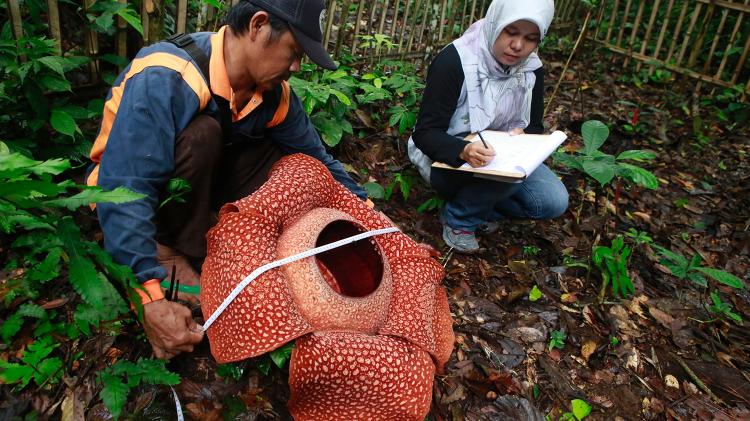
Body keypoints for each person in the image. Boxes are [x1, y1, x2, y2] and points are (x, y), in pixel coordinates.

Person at [87, 0, 370, 359]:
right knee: (202, 133)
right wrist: (149, 297)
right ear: (258, 25)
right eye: (294, 52)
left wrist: (374, 220)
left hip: (201, 187)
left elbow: (320, 160)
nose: (296, 67)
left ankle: (221, 240)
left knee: (292, 159)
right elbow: (125, 190)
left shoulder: (273, 95)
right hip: (132, 194)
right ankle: (167, 252)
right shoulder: (166, 75)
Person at [408, 0, 568, 253]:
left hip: (503, 157)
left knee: (552, 201)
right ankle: (459, 218)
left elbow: (534, 126)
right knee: (499, 174)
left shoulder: (531, 69)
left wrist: (524, 137)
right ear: (496, 23)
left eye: (530, 38)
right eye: (511, 32)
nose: (517, 46)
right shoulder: (456, 60)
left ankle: (481, 205)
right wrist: (463, 150)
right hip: (449, 157)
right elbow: (426, 133)